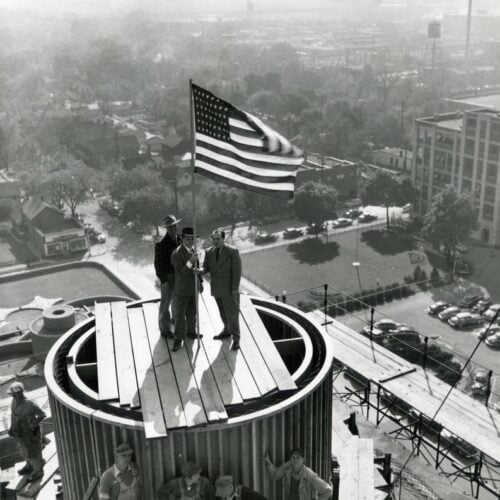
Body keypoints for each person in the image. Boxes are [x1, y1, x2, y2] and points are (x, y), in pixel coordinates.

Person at [202, 229, 242, 350]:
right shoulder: (209, 252)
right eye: (213, 239)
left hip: (229, 289)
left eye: (218, 239)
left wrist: (234, 289)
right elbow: (205, 268)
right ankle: (226, 330)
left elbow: (237, 272)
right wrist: (198, 271)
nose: (215, 241)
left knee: (232, 315)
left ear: (223, 239)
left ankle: (236, 339)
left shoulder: (232, 251)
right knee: (223, 313)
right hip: (217, 288)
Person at [170, 227, 203, 352]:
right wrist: (190, 261)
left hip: (193, 288)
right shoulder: (176, 254)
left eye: (192, 239)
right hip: (182, 290)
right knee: (179, 315)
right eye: (187, 239)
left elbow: (197, 270)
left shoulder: (194, 251)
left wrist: (200, 282)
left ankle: (191, 332)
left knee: (192, 312)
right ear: (182, 239)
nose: (190, 241)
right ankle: (178, 339)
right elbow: (181, 273)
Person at [7, 381, 47, 482]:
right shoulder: (14, 401)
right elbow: (13, 415)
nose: (13, 396)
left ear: (21, 392)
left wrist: (34, 424)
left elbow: (42, 414)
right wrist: (11, 428)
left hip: (30, 433)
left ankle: (38, 472)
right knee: (23, 450)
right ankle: (29, 466)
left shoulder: (30, 403)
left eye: (15, 394)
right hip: (19, 432)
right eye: (12, 394)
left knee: (33, 453)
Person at [262, 448, 332, 500]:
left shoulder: (309, 475)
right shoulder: (288, 467)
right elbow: (274, 474)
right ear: (290, 459)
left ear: (303, 459)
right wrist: (268, 463)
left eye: (298, 458)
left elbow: (328, 490)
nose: (295, 460)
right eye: (293, 458)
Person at [154, 214, 182, 339]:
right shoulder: (161, 244)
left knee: (178, 301)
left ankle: (176, 322)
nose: (173, 229)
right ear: (166, 228)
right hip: (168, 277)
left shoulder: (181, 240)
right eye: (170, 227)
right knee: (165, 303)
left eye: (174, 226)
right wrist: (164, 281)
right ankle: (164, 329)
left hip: (180, 276)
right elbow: (158, 265)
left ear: (177, 226)